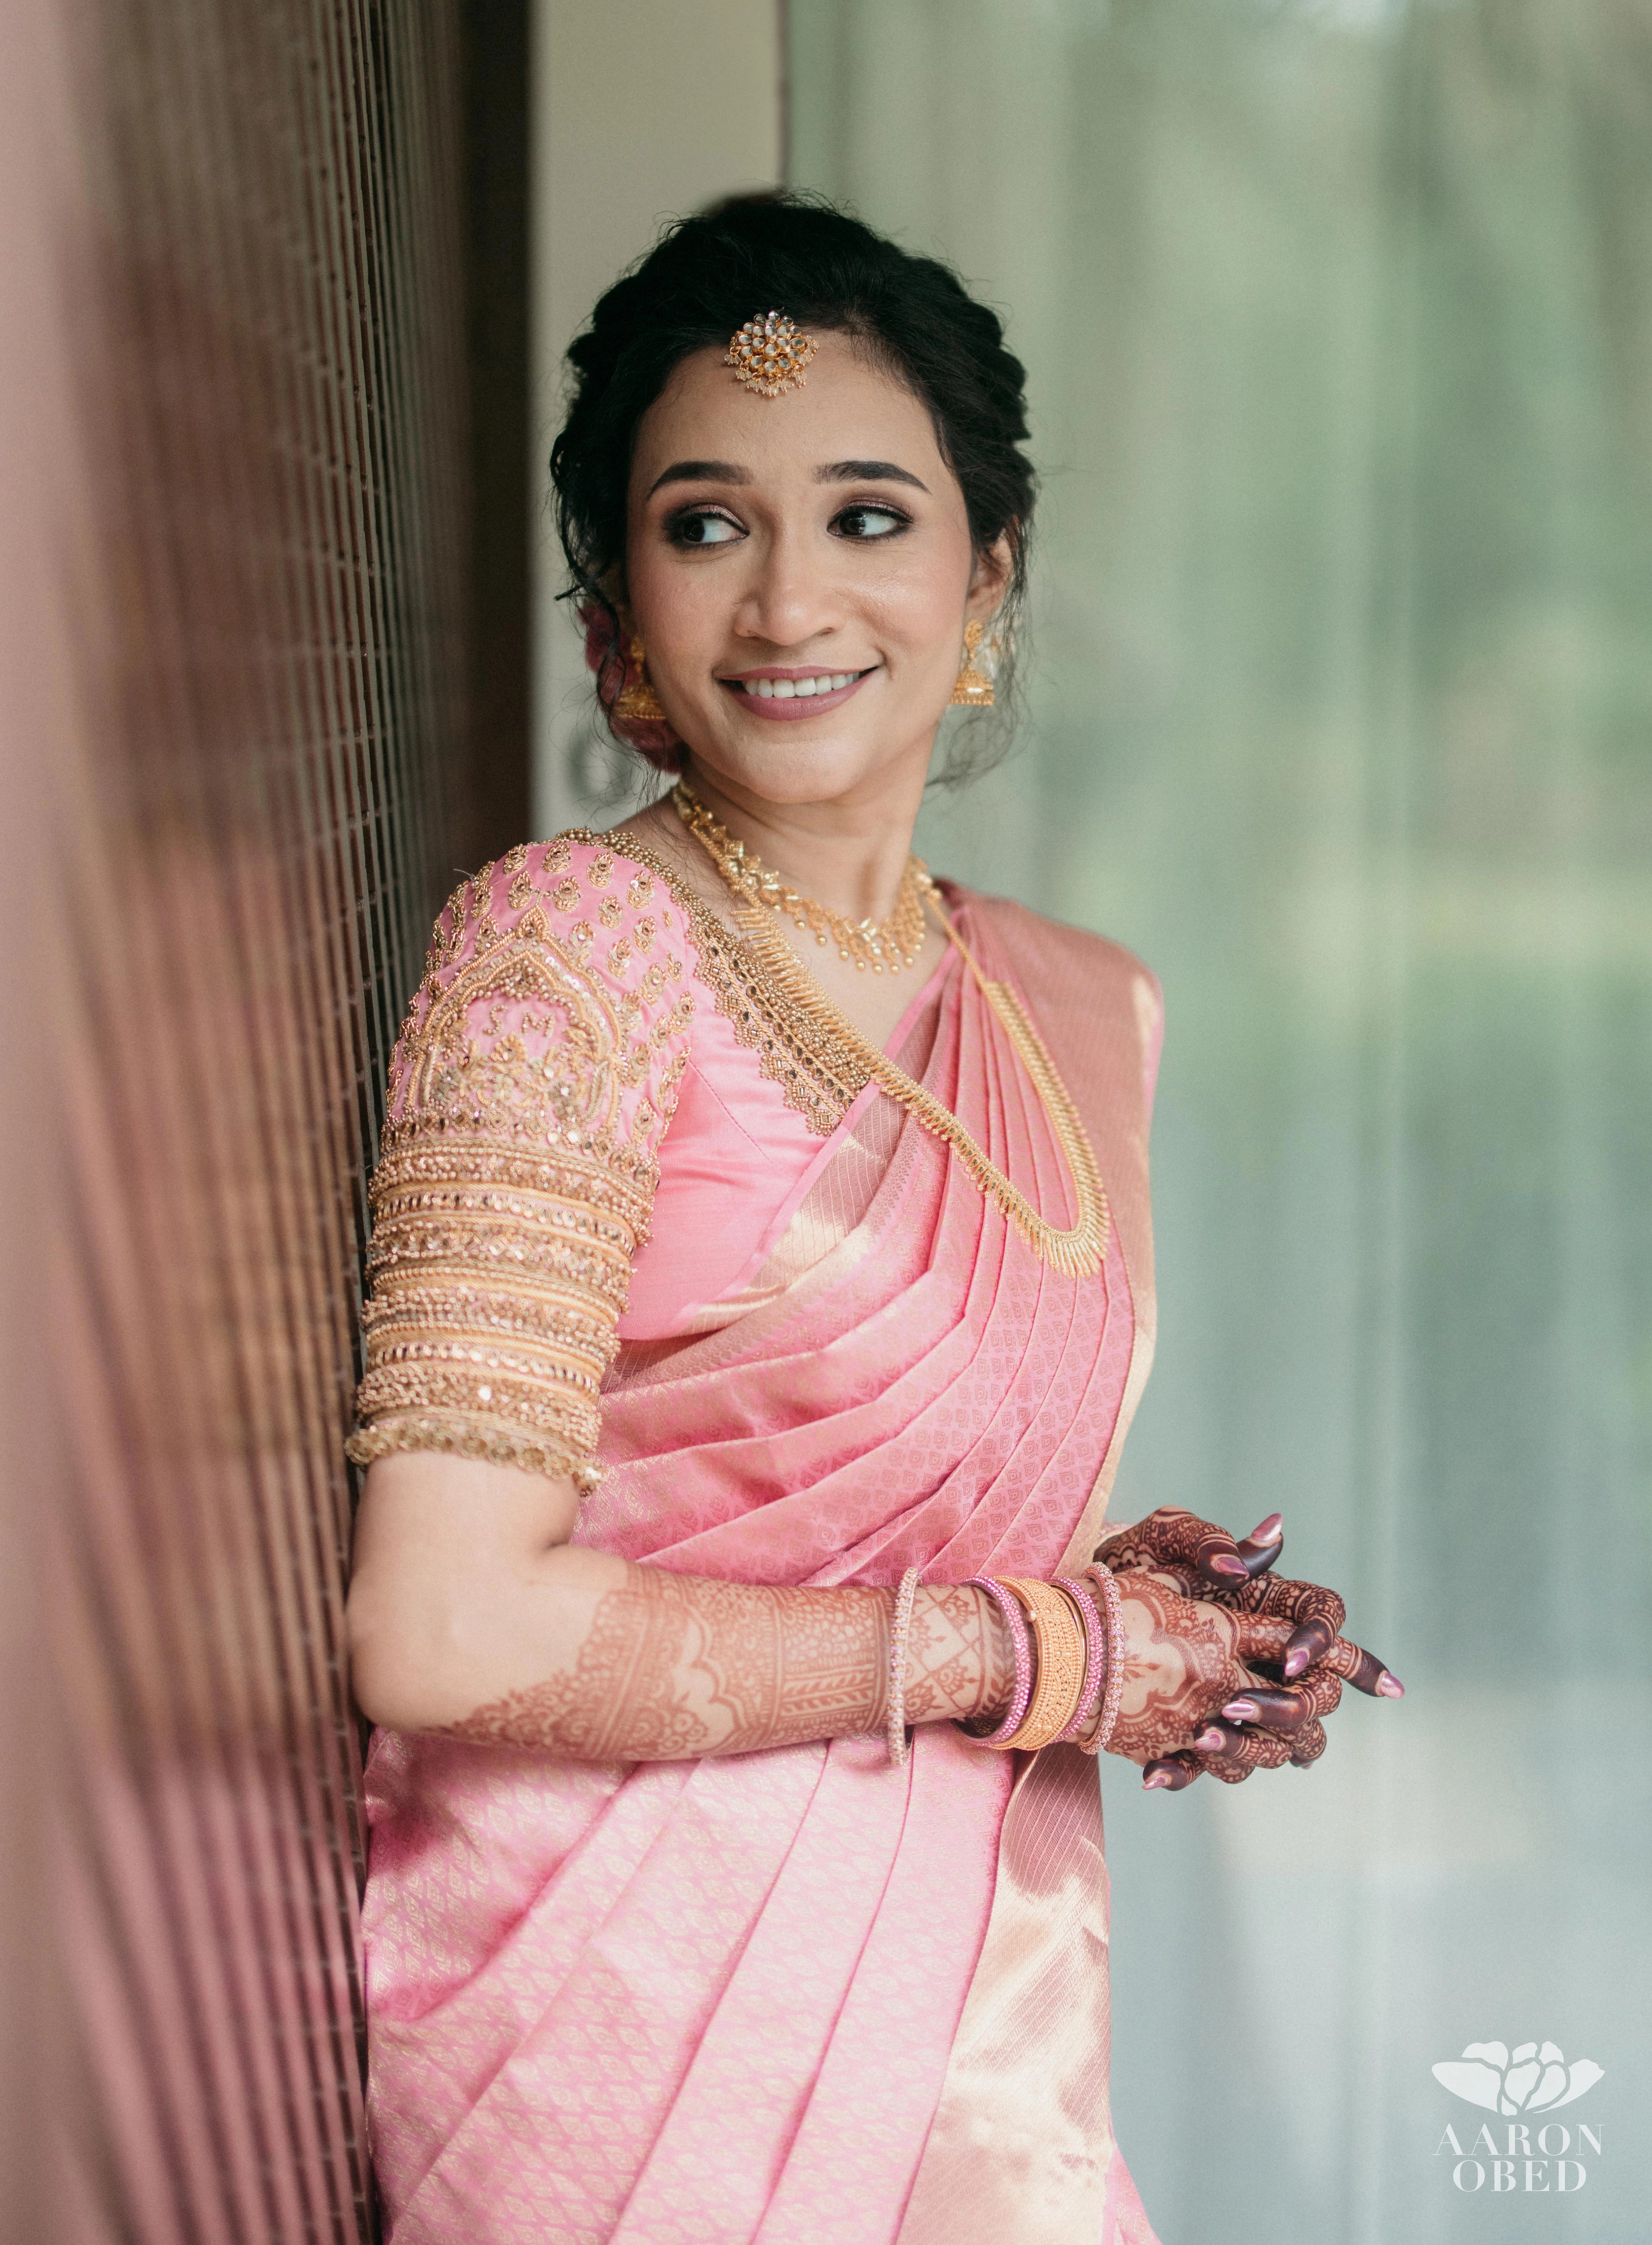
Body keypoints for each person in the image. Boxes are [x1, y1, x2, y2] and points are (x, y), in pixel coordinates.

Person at [344, 192, 1402, 2245]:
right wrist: (1039, 1643)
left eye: (863, 515)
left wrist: (1141, 1619)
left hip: (969, 2002)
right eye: (703, 523)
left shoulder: (1079, 1001)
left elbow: (815, 1515)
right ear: (609, 612)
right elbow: (442, 1620)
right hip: (626, 2016)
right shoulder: (568, 949)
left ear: (985, 572)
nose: (783, 602)